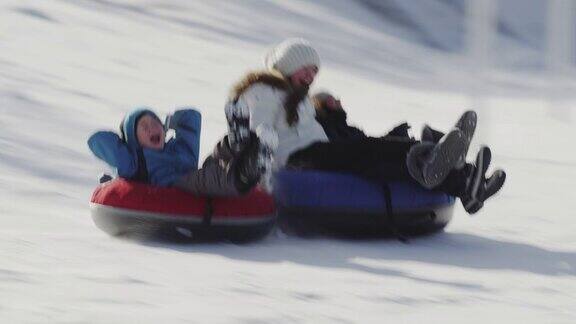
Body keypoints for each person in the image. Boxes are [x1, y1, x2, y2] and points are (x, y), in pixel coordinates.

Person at [225, 38, 505, 214]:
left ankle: (467, 184)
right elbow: (256, 129)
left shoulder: (299, 99)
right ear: (287, 66)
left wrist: (331, 112)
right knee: (373, 152)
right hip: (299, 157)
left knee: (384, 152)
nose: (311, 76)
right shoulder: (262, 90)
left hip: (318, 149)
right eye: (306, 69)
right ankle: (450, 172)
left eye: (315, 72)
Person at [87, 107, 277, 196]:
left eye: (155, 123)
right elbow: (97, 140)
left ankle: (239, 142)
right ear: (134, 140)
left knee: (217, 157)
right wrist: (126, 145)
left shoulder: (177, 148)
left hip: (198, 176)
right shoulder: (134, 161)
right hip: (179, 185)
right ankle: (249, 169)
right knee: (210, 177)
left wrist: (169, 121)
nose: (152, 128)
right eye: (144, 127)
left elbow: (191, 118)